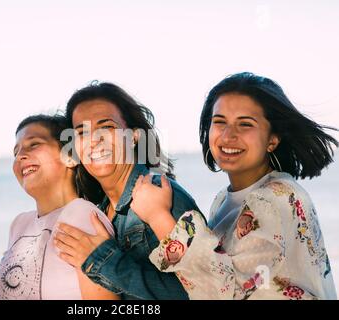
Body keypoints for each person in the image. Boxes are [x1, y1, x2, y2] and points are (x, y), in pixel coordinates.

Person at [130, 72, 338, 299]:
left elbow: (229, 292)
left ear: (272, 139)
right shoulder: (224, 199)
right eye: (220, 122)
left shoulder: (274, 198)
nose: (228, 135)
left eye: (245, 124)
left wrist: (158, 216)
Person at [54, 82, 202, 299]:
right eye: (82, 133)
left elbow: (196, 291)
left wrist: (104, 259)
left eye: (107, 127)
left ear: (134, 136)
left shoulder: (161, 196)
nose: (95, 141)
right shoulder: (100, 212)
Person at [0, 114, 118, 300]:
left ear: (70, 157)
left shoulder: (82, 215)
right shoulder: (19, 224)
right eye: (16, 152)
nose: (20, 156)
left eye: (33, 144)